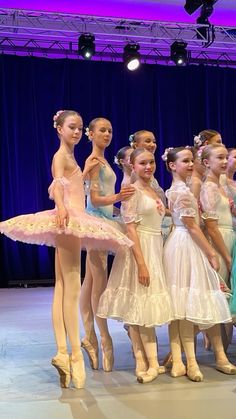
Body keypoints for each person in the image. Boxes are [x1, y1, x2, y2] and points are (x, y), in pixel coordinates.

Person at [0, 110, 133, 389]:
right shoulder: (61, 156)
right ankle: (74, 355)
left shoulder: (72, 158)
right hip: (69, 219)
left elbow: (72, 182)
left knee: (62, 286)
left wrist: (82, 176)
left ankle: (62, 350)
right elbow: (58, 183)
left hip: (71, 216)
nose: (75, 132)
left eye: (79, 128)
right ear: (59, 129)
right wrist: (61, 206)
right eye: (71, 127)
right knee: (71, 286)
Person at [97, 148, 173, 383]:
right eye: (142, 163)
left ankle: (146, 360)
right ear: (132, 165)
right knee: (140, 308)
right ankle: (146, 362)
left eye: (151, 162)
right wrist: (141, 264)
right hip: (139, 251)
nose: (148, 166)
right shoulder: (131, 191)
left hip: (154, 247)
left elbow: (159, 216)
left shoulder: (151, 189)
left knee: (142, 309)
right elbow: (130, 229)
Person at [162, 146, 233, 382]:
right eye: (185, 161)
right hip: (185, 245)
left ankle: (194, 359)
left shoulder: (182, 189)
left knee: (193, 300)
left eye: (192, 160)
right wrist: (211, 252)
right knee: (182, 304)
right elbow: (192, 226)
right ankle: (188, 361)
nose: (191, 165)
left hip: (184, 243)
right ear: (172, 165)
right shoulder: (180, 191)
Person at [80, 118, 134, 373]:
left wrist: (119, 211)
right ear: (90, 134)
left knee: (90, 281)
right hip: (95, 223)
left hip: (104, 220)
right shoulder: (92, 162)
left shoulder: (101, 161)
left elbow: (104, 201)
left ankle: (91, 335)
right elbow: (94, 198)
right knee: (97, 281)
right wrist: (119, 198)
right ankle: (104, 338)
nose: (107, 134)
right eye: (102, 130)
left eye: (110, 130)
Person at [200, 144, 236, 350]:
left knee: (227, 296)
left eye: (225, 158)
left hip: (229, 237)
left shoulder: (220, 185)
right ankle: (219, 350)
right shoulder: (209, 187)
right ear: (206, 162)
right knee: (220, 295)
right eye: (219, 158)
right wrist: (227, 257)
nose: (224, 162)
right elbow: (212, 227)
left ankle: (223, 347)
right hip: (220, 241)